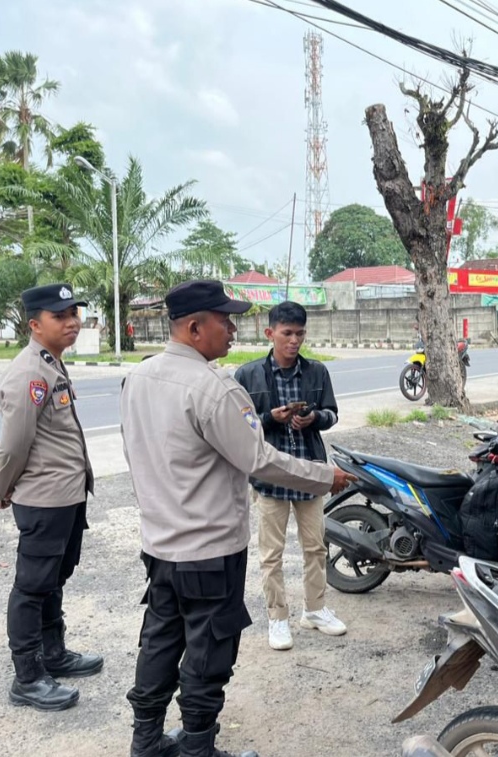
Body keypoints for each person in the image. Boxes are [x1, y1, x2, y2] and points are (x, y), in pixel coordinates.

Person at [120, 280, 355, 757]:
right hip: (208, 549)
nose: (232, 329)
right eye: (224, 320)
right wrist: (324, 476)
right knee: (209, 653)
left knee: (161, 640)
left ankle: (145, 741)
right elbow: (261, 461)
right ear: (193, 327)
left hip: (160, 544)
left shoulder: (138, 378)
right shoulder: (215, 387)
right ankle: (198, 748)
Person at [0, 283, 102, 712]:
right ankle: (28, 677)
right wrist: (0, 488)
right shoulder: (29, 373)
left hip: (66, 494)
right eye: (61, 316)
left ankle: (54, 654)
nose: (73, 322)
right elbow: (15, 444)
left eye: (75, 313)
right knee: (32, 586)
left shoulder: (51, 364)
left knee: (55, 577)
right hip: (44, 498)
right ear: (35, 324)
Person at [233, 301, 345, 651]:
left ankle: (315, 609)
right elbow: (239, 424)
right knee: (272, 554)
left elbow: (332, 414)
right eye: (287, 333)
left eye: (299, 333)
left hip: (310, 471)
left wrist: (315, 419)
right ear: (270, 333)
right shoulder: (248, 375)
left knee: (315, 547)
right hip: (271, 475)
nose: (294, 340)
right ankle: (278, 617)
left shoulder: (316, 372)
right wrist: (270, 419)